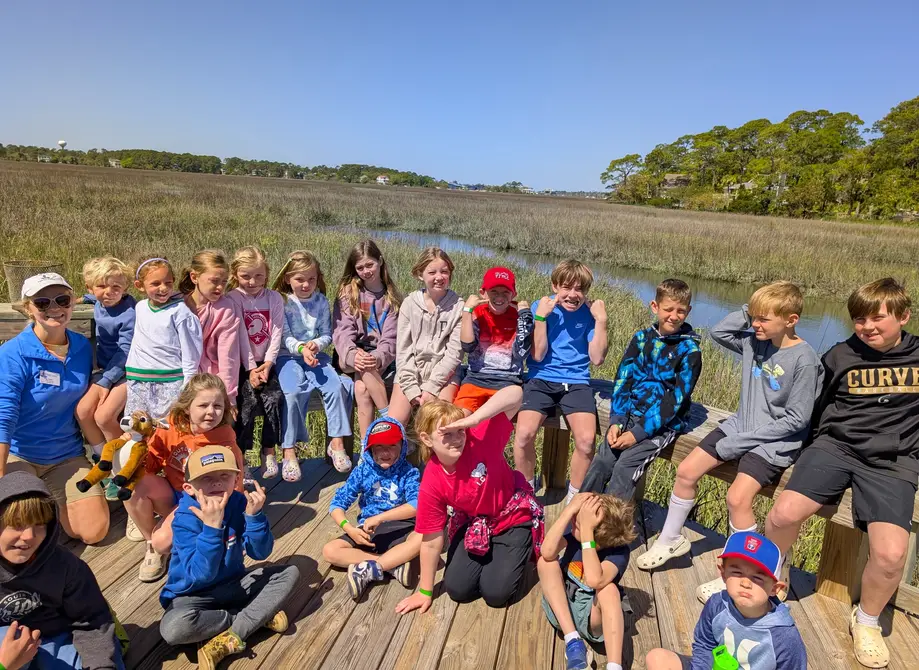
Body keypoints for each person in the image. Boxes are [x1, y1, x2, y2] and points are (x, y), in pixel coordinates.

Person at [765, 278, 919, 669]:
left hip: (893, 461)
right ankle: (774, 576)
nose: (867, 326)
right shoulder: (839, 355)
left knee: (890, 554)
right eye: (859, 319)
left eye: (877, 318)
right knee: (782, 514)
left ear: (903, 315)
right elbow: (817, 406)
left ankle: (866, 620)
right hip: (835, 448)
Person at [638, 282, 823, 603]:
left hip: (773, 443)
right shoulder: (755, 342)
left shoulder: (805, 360)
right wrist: (749, 309)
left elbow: (797, 420)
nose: (755, 325)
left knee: (738, 498)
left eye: (764, 319)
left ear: (791, 319)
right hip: (739, 426)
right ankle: (670, 540)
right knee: (686, 471)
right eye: (753, 317)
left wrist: (744, 441)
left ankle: (743, 570)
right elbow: (719, 333)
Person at [395, 393, 544, 615]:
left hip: (511, 517)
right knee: (458, 590)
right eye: (446, 434)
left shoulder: (480, 438)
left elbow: (516, 394)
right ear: (427, 439)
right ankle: (494, 560)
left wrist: (474, 420)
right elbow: (431, 539)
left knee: (496, 594)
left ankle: (519, 550)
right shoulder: (432, 481)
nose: (457, 439)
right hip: (474, 523)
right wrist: (425, 591)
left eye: (459, 431)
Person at [158, 446, 298, 670]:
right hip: (193, 595)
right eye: (206, 478)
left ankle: (233, 634)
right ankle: (254, 618)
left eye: (225, 476)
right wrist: (211, 528)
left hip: (233, 583)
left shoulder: (237, 502)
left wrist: (254, 517)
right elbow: (200, 575)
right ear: (189, 488)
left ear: (236, 480)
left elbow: (259, 553)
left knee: (289, 572)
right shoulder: (184, 518)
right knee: (174, 629)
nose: (216, 483)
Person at [0, 272, 109, 545]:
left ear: (72, 302)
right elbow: (4, 415)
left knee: (93, 532)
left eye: (62, 299)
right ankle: (42, 502)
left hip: (67, 456)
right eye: (43, 302)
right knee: (19, 528)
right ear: (28, 308)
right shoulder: (13, 353)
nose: (55, 309)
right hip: (19, 456)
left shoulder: (83, 347)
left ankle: (47, 502)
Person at [581, 279, 701, 501]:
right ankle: (580, 521)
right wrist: (617, 420)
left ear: (689, 311)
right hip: (629, 413)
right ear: (655, 307)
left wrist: (636, 435)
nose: (674, 316)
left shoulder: (690, 351)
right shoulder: (641, 339)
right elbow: (623, 381)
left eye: (681, 311)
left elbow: (674, 402)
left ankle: (611, 531)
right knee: (602, 462)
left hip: (663, 425)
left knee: (624, 468)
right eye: (668, 309)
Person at [124, 373, 244, 583]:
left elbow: (236, 487)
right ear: (187, 407)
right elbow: (150, 465)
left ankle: (177, 538)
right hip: (173, 493)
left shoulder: (226, 443)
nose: (211, 412)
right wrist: (136, 445)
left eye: (217, 406)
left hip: (201, 501)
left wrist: (236, 527)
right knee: (134, 482)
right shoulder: (169, 429)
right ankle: (149, 541)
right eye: (203, 405)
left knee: (165, 542)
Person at [0, 471, 124, 668]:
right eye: (17, 525)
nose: (29, 536)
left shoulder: (66, 566)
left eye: (39, 526)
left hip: (59, 639)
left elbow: (92, 622)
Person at [513, 259, 609, 501]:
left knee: (587, 441)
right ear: (555, 286)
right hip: (540, 379)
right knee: (524, 434)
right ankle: (524, 492)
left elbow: (597, 358)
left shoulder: (590, 314)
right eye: (567, 288)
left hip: (577, 381)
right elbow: (537, 354)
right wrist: (541, 318)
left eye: (580, 289)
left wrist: (602, 322)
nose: (573, 295)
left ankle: (574, 496)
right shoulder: (541, 307)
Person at [645, 532, 806, 670]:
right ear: (723, 574)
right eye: (736, 572)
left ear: (775, 588)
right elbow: (705, 644)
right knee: (657, 658)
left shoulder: (784, 637)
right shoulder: (717, 604)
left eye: (757, 578)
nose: (745, 583)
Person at [322, 418, 422, 600]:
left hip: (401, 526)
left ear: (403, 446)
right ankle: (390, 565)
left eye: (392, 445)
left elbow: (416, 505)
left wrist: (381, 518)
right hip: (369, 529)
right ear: (369, 449)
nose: (385, 452)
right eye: (379, 447)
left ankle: (370, 566)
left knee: (423, 537)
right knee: (330, 550)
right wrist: (349, 528)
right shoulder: (362, 471)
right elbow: (337, 504)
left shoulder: (409, 472)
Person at [275, 251, 354, 478]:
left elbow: (327, 334)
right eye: (300, 279)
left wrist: (316, 345)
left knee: (336, 386)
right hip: (288, 357)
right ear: (288, 278)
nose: (306, 284)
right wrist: (302, 349)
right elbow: (285, 337)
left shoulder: (320, 301)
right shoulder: (283, 301)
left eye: (311, 279)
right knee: (292, 392)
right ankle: (289, 450)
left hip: (316, 355)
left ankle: (337, 443)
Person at [538, 493, 634, 670]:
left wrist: (587, 535)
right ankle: (573, 642)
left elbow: (594, 580)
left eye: (577, 521)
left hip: (593, 620)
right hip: (564, 609)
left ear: (592, 535)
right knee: (545, 563)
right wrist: (568, 511)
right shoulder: (575, 535)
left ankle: (614, 666)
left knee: (609, 590)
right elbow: (547, 550)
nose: (572, 522)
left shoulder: (618, 552)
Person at [226, 246, 285, 481]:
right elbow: (240, 333)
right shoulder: (234, 298)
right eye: (245, 276)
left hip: (267, 362)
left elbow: (277, 332)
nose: (252, 281)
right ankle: (242, 458)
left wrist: (268, 364)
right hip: (243, 363)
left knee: (275, 398)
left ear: (267, 275)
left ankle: (268, 451)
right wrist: (251, 369)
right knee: (247, 404)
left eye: (258, 276)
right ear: (235, 275)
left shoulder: (274, 298)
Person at [332, 239, 402, 440]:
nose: (366, 271)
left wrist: (378, 357)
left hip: (380, 357)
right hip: (350, 355)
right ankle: (390, 421)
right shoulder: (348, 293)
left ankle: (367, 447)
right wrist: (354, 355)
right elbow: (342, 332)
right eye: (360, 267)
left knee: (361, 387)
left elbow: (391, 338)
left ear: (380, 261)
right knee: (364, 365)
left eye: (370, 265)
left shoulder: (392, 299)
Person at [388, 247, 464, 425]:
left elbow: (454, 354)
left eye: (444, 272)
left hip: (445, 375)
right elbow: (403, 351)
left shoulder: (459, 306)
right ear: (420, 274)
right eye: (432, 272)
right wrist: (412, 389)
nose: (439, 277)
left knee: (441, 424)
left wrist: (431, 388)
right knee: (393, 425)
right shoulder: (409, 303)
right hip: (410, 372)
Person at [124, 258, 203, 425]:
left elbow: (192, 349)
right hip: (138, 379)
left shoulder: (180, 311)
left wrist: (188, 380)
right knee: (137, 428)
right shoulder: (140, 307)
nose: (163, 288)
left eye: (168, 282)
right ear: (140, 286)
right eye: (155, 283)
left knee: (167, 428)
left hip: (170, 380)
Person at [75, 257, 136, 462]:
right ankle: (104, 459)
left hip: (127, 372)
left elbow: (125, 352)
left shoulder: (130, 313)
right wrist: (83, 298)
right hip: (105, 371)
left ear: (126, 287)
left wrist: (106, 381)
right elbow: (95, 297)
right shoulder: (100, 300)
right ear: (91, 288)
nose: (109, 292)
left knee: (103, 417)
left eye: (116, 287)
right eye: (101, 286)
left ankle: (123, 462)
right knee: (83, 411)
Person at [455, 266, 533, 417]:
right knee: (458, 419)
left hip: (508, 382)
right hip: (475, 379)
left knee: (493, 427)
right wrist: (467, 310)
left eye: (505, 292)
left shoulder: (518, 316)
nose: (500, 297)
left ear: (514, 294)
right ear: (483, 293)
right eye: (494, 292)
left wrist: (524, 317)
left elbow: (521, 353)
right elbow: (468, 346)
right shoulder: (478, 313)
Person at [181, 250, 242, 411]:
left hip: (212, 379)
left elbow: (228, 355)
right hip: (179, 377)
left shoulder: (226, 309)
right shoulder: (179, 306)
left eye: (224, 281)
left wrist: (229, 395)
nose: (220, 287)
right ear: (194, 277)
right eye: (214, 281)